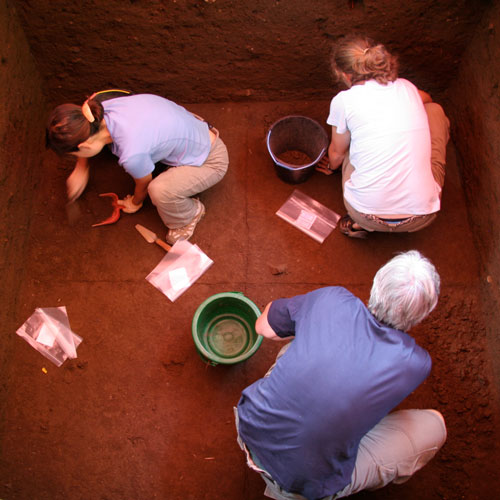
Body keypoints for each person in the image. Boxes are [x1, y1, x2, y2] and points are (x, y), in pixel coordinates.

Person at [235, 250, 446, 500]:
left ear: (376, 284)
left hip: (248, 426)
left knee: (296, 343)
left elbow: (263, 328)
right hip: (299, 485)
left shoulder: (333, 299)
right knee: (435, 425)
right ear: (423, 314)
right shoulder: (417, 363)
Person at [46, 90, 229, 244]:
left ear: (83, 146)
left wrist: (134, 202)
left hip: (211, 160)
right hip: (195, 127)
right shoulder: (98, 104)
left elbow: (143, 184)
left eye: (75, 155)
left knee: (159, 190)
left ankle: (190, 215)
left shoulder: (132, 153)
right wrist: (81, 166)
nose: (76, 158)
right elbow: (85, 136)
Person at [316, 36, 450, 238]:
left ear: (344, 74)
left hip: (364, 213)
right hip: (423, 216)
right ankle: (375, 223)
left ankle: (363, 225)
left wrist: (330, 167)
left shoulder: (344, 101)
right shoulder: (407, 87)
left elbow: (336, 154)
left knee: (348, 141)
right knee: (435, 111)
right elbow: (428, 100)